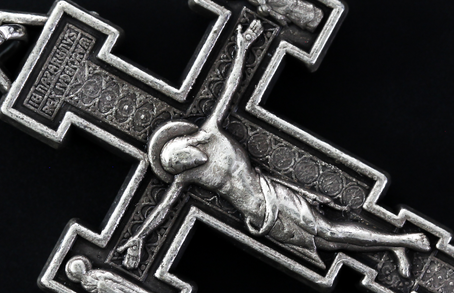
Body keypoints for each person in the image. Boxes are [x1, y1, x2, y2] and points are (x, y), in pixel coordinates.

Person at [118, 20, 429, 276]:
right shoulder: (189, 177)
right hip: (260, 220)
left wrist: (242, 48)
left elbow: (229, 89)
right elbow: (163, 209)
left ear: (184, 142)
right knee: (328, 244)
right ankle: (393, 245)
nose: (182, 163)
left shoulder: (210, 132)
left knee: (329, 231)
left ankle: (405, 240)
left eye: (178, 157)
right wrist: (139, 238)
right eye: (176, 166)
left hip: (273, 196)